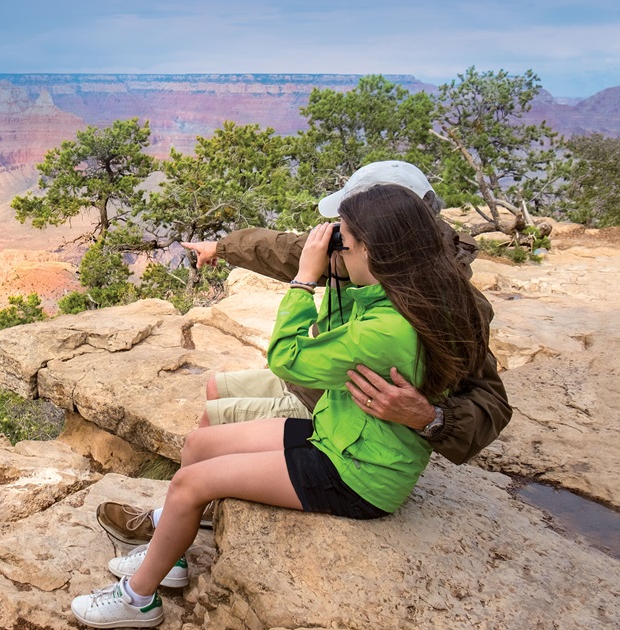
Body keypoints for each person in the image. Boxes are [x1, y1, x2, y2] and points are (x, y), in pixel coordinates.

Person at [71, 183, 490, 628]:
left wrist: (305, 279)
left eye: (345, 243)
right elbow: (335, 327)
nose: (338, 251)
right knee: (199, 445)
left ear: (373, 250)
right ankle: (170, 554)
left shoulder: (388, 328)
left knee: (190, 483)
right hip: (341, 436)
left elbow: (288, 359)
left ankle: (137, 600)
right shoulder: (411, 292)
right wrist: (337, 271)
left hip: (358, 473)